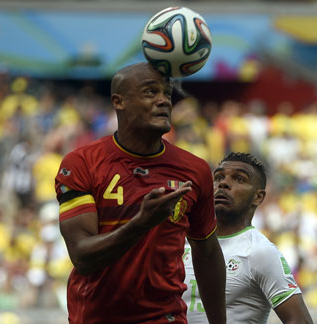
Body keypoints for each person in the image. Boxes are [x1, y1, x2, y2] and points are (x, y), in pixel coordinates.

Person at [55, 62, 226, 324]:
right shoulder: (81, 163)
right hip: (95, 317)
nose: (163, 101)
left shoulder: (195, 170)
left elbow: (208, 254)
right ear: (118, 101)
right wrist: (141, 224)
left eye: (167, 94)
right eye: (150, 92)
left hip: (165, 317)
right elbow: (81, 256)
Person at [183, 152, 313, 324]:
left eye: (239, 179)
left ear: (258, 197)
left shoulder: (260, 252)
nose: (223, 183)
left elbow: (300, 320)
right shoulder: (183, 241)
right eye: (218, 177)